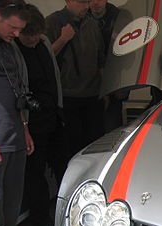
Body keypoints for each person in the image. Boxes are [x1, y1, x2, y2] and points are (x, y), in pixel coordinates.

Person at [0, 0, 38, 226]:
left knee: (11, 197)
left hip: (14, 134)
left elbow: (18, 90)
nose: (17, 33)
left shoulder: (8, 45)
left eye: (21, 30)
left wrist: (25, 129)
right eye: (13, 27)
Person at [16, 4, 63, 226]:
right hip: (31, 121)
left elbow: (54, 77)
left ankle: (66, 211)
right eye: (29, 36)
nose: (33, 40)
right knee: (35, 173)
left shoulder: (43, 41)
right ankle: (40, 218)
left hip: (52, 115)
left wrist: (59, 107)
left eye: (36, 35)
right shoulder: (13, 49)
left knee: (62, 162)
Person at [45, 0, 105, 161]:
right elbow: (43, 59)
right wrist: (63, 39)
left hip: (93, 95)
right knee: (71, 148)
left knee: (95, 146)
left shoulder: (93, 23)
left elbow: (101, 60)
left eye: (88, 2)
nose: (86, 6)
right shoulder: (53, 22)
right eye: (81, 2)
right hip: (67, 96)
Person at [89, 0, 124, 132]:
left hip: (113, 76)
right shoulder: (82, 16)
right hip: (90, 78)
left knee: (112, 122)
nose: (95, 3)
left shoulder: (119, 17)